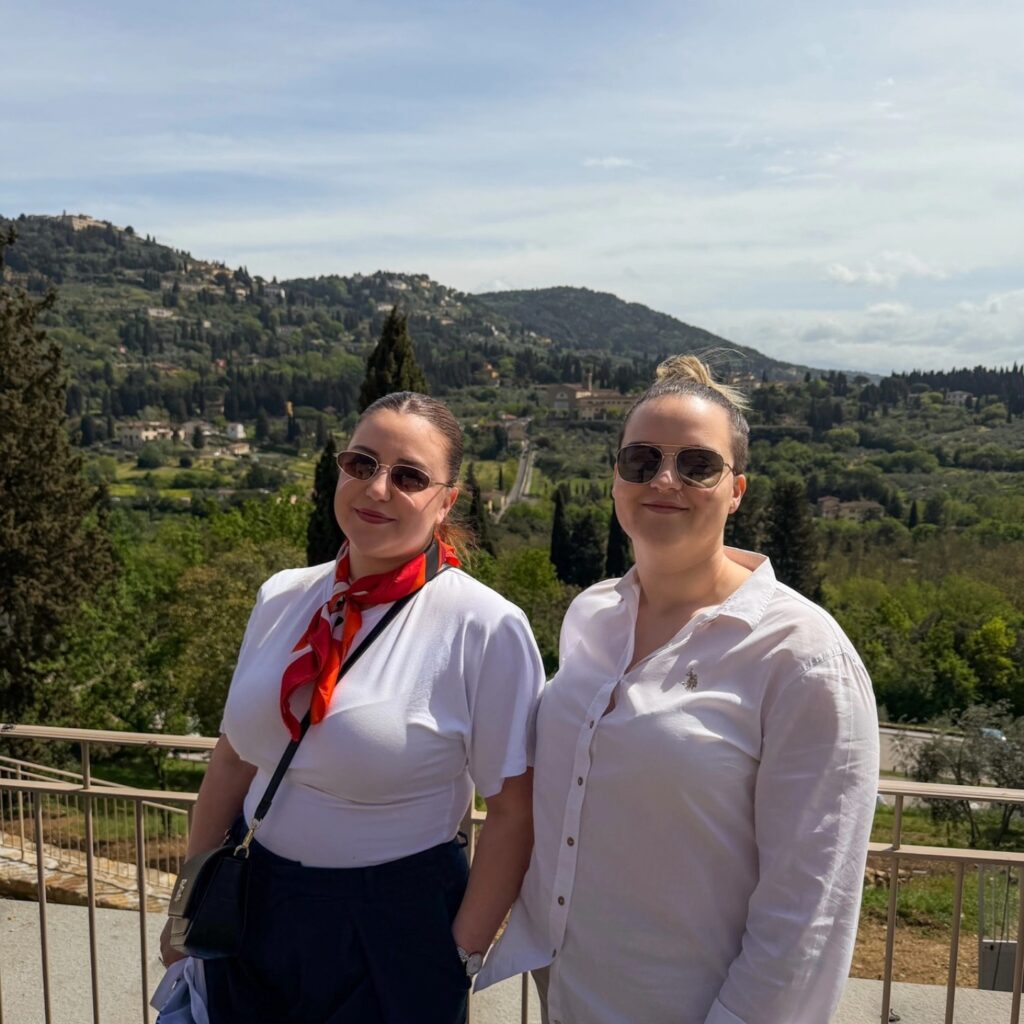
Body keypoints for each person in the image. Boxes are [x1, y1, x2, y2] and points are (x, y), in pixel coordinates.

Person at [477, 356, 880, 1024]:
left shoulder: (802, 656)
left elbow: (810, 911)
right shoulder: (593, 615)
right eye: (641, 460)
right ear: (616, 480)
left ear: (736, 490)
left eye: (697, 465)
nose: (664, 480)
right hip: (567, 998)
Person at [158, 391, 545, 1024]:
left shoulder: (485, 627)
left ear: (447, 500)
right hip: (250, 908)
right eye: (361, 463)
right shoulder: (282, 596)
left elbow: (511, 814)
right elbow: (231, 762)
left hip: (395, 927)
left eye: (409, 476)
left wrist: (456, 957)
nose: (377, 488)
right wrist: (184, 911)